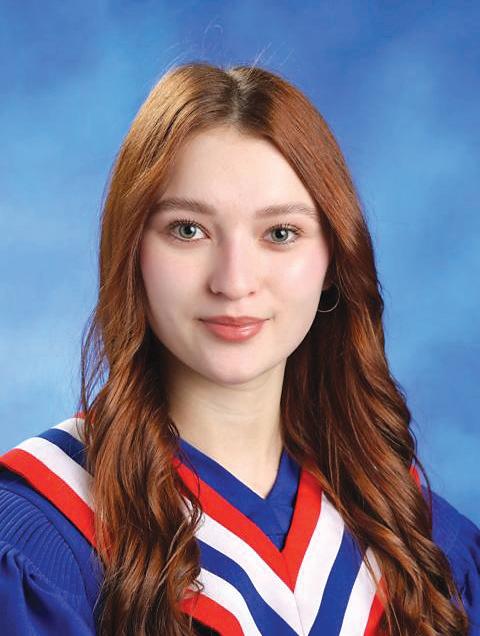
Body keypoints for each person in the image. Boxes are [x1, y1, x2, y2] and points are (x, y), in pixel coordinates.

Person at [0, 61, 478, 636]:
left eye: (280, 234)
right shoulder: (43, 538)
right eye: (187, 230)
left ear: (334, 260)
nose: (234, 281)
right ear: (131, 251)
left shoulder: (412, 533)